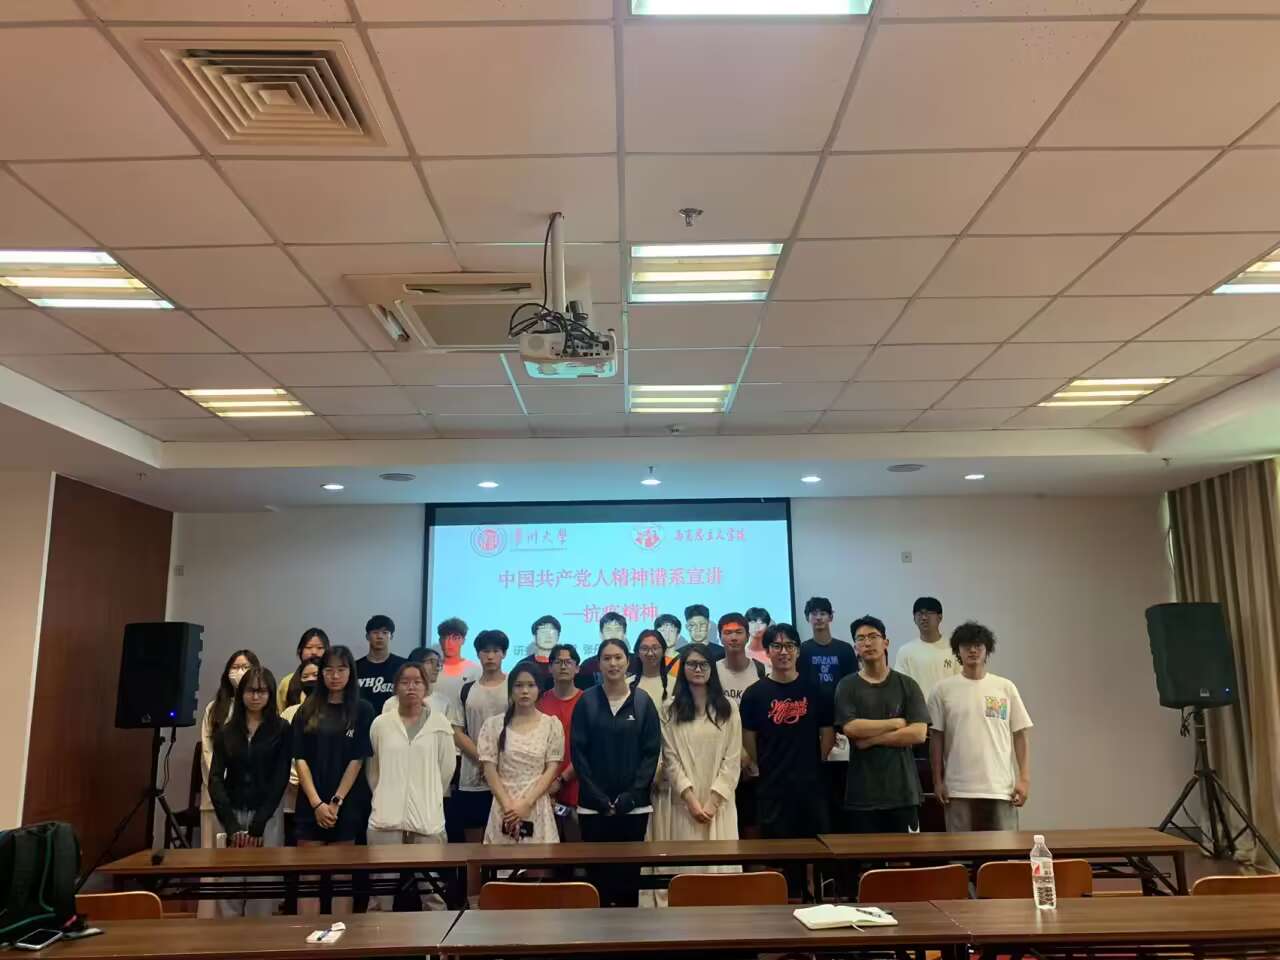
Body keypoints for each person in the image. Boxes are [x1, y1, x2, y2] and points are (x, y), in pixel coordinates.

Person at [740, 623, 834, 897]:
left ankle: (812, 894)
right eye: (777, 646)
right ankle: (784, 897)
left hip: (810, 783)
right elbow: (749, 738)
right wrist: (764, 765)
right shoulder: (755, 694)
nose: (784, 652)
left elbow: (827, 734)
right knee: (779, 850)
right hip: (773, 785)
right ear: (767, 651)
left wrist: (813, 762)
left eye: (790, 646)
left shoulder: (815, 690)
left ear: (798, 651)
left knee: (813, 846)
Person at [571, 637, 661, 907]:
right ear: (598, 664)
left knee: (627, 880)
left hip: (634, 808)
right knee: (597, 881)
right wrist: (597, 797)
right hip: (593, 808)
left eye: (618, 657)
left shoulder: (642, 702)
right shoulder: (586, 701)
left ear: (628, 661)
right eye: (607, 658)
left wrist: (632, 795)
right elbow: (579, 754)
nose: (613, 663)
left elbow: (650, 754)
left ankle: (628, 934)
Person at [292, 645, 374, 915]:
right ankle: (307, 937)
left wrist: (335, 802)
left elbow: (357, 759)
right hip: (310, 803)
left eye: (341, 669)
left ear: (351, 672)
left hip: (346, 804)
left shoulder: (362, 709)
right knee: (309, 877)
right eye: (329, 670)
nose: (335, 676)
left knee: (342, 878)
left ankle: (341, 935)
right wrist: (317, 804)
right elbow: (300, 758)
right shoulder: (306, 710)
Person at [366, 661, 455, 911]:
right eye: (404, 682)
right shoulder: (381, 724)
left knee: (432, 894)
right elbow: (373, 771)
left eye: (417, 682)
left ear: (426, 687)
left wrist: (429, 797)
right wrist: (385, 796)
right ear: (396, 687)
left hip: (428, 821)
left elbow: (446, 770)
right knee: (380, 896)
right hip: (386, 821)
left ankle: (435, 938)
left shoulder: (440, 725)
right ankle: (378, 937)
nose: (411, 687)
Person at [928, 621, 1033, 832]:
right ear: (958, 651)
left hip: (1001, 789)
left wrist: (1024, 779)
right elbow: (936, 738)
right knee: (959, 850)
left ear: (987, 650)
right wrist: (937, 781)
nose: (973, 650)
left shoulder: (1005, 687)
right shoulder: (942, 690)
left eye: (978, 645)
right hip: (958, 790)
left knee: (1004, 850)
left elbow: (1020, 734)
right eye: (966, 646)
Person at [207, 665, 291, 916]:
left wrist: (259, 823)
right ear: (241, 693)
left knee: (262, 887)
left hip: (267, 816)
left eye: (262, 691)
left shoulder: (281, 729)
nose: (256, 696)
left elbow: (280, 778)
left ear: (270, 694)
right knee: (229, 887)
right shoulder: (226, 732)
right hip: (232, 813)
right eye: (251, 691)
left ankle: (260, 938)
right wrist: (231, 825)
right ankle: (229, 938)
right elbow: (215, 778)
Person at [836, 616, 929, 833]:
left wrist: (871, 740)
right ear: (855, 648)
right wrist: (896, 722)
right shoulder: (847, 686)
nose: (867, 643)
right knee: (866, 855)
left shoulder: (907, 684)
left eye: (873, 636)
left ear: (886, 642)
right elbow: (851, 728)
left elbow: (918, 733)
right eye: (860, 639)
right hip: (863, 794)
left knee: (907, 855)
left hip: (903, 793)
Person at [662, 643, 742, 870]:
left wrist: (712, 803)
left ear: (711, 668)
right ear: (682, 668)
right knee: (687, 872)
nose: (698, 669)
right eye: (692, 664)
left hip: (719, 804)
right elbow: (670, 760)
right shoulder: (669, 709)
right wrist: (692, 802)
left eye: (704, 664)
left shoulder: (728, 708)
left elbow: (732, 760)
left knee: (722, 872)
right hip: (685, 805)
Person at [197, 649, 259, 919]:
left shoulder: (260, 709)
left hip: (249, 800)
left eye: (246, 666)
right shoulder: (215, 708)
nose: (240, 672)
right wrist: (221, 788)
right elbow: (208, 753)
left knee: (249, 867)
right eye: (236, 666)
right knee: (216, 863)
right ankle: (212, 920)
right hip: (216, 799)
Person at [478, 664, 564, 844]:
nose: (525, 691)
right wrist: (508, 807)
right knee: (500, 860)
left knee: (539, 860)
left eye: (531, 685)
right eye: (518, 685)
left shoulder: (551, 725)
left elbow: (551, 769)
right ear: (511, 689)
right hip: (504, 807)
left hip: (536, 804)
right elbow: (489, 770)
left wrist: (526, 804)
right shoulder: (493, 725)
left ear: (539, 689)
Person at [797, 596, 857, 831]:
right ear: (807, 618)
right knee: (817, 779)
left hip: (842, 724)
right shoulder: (802, 650)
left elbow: (852, 686)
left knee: (842, 785)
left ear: (831, 617)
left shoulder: (844, 650)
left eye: (823, 613)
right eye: (814, 613)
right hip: (811, 724)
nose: (818, 618)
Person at [714, 613, 765, 837]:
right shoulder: (711, 671)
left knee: (752, 824)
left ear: (747, 636)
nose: (733, 637)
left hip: (754, 761)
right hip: (719, 760)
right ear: (719, 637)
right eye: (727, 633)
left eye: (738, 632)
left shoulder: (762, 670)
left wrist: (750, 755)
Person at [456, 630, 509, 843]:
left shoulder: (514, 686)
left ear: (504, 654)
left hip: (508, 773)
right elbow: (457, 731)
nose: (490, 656)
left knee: (506, 836)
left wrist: (496, 763)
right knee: (474, 839)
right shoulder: (467, 689)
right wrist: (484, 760)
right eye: (485, 651)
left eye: (496, 651)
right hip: (473, 774)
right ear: (478, 654)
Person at [279, 656, 320, 914]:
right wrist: (294, 780)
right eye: (306, 676)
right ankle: (290, 907)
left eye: (316, 675)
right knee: (293, 858)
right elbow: (285, 755)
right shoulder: (289, 713)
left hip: (319, 799)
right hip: (291, 798)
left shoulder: (332, 712)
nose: (311, 680)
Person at [537, 644, 583, 841]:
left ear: (577, 668)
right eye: (557, 662)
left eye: (568, 662)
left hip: (579, 788)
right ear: (549, 668)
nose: (563, 666)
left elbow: (588, 749)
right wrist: (548, 784)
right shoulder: (539, 702)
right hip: (544, 789)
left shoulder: (588, 701)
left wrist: (561, 780)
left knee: (578, 852)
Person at [895, 597, 961, 699]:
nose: (924, 617)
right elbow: (901, 687)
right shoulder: (905, 651)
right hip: (917, 707)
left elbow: (961, 682)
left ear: (940, 617)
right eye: (920, 613)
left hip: (948, 706)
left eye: (929, 613)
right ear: (914, 619)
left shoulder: (954, 648)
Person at [356, 614, 405, 714]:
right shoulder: (355, 667)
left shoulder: (403, 666)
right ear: (367, 636)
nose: (380, 636)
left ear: (391, 636)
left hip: (393, 720)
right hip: (362, 720)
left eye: (385, 632)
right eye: (375, 632)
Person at [576, 612, 636, 688]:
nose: (613, 634)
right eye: (608, 630)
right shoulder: (588, 666)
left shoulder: (637, 662)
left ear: (625, 634)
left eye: (618, 630)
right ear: (601, 634)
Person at [278, 628, 328, 711]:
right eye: (309, 647)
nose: (314, 652)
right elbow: (280, 712)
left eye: (319, 648)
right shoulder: (286, 682)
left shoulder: (333, 680)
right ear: (300, 651)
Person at [514, 615, 559, 694]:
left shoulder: (564, 664)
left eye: (552, 632)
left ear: (558, 637)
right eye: (544, 632)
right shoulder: (524, 665)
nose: (548, 636)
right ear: (534, 636)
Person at [632, 628, 672, 706]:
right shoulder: (627, 684)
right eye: (644, 648)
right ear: (637, 653)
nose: (650, 653)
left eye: (655, 648)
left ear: (664, 651)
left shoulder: (676, 684)